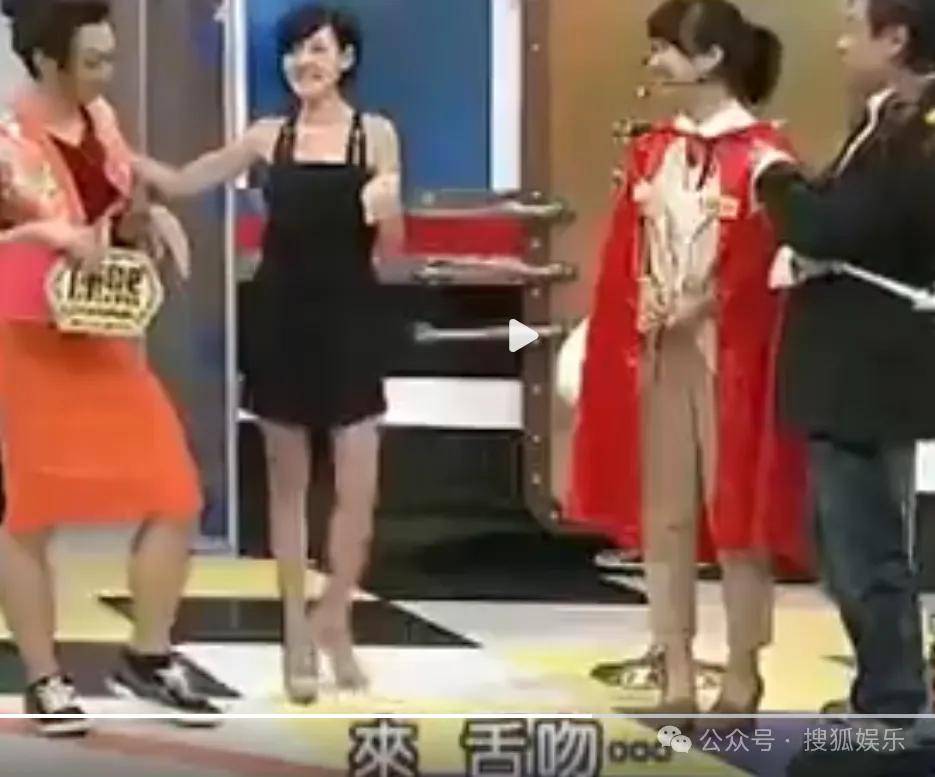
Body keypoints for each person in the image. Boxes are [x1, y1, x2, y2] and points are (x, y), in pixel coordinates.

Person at [133, 3, 403, 704]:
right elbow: (185, 181)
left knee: (358, 488)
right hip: (281, 316)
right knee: (287, 487)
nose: (303, 63)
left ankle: (335, 614)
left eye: (318, 50)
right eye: (294, 51)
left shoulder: (374, 136)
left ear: (345, 59)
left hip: (350, 319)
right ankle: (295, 633)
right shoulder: (266, 135)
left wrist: (389, 210)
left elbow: (394, 256)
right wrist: (109, 148)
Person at [566, 0, 809, 724]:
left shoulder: (766, 157)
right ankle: (673, 667)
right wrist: (637, 303)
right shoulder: (652, 152)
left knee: (737, 515)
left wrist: (705, 300)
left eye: (666, 49)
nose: (654, 63)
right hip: (657, 353)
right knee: (664, 515)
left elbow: (771, 267)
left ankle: (741, 671)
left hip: (730, 357)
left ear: (709, 59)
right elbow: (625, 248)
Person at [0, 0, 219, 736]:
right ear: (47, 60)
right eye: (92, 61)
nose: (106, 73)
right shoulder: (7, 135)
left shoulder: (102, 121)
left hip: (102, 329)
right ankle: (44, 677)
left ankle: (147, 655)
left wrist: (146, 218)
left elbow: (118, 201)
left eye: (110, 58)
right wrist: (46, 232)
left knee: (175, 491)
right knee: (31, 509)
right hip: (29, 332)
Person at [756, 0, 935, 730]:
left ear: (895, 39)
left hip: (873, 365)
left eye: (851, 27)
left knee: (865, 544)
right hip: (850, 361)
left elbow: (833, 225)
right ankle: (884, 685)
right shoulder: (882, 121)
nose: (839, 44)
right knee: (843, 539)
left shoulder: (917, 135)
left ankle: (891, 701)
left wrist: (775, 179)